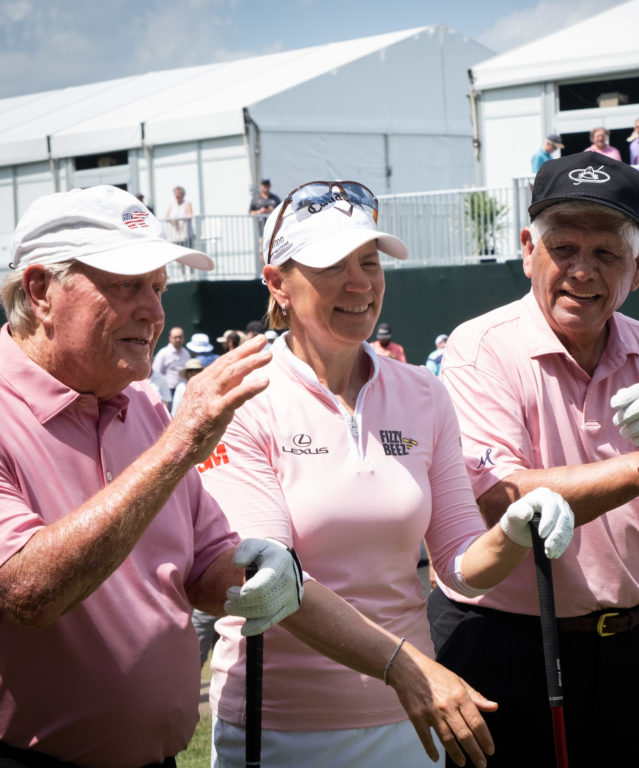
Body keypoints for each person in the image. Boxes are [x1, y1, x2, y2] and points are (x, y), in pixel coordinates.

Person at [197, 179, 576, 768]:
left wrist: (513, 532)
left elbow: (459, 567)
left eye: (370, 262)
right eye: (331, 266)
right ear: (278, 284)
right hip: (281, 727)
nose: (359, 283)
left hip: (409, 720)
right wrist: (409, 668)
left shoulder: (424, 393)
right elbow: (271, 584)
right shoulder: (240, 396)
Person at [0, 185, 317, 767]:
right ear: (41, 291)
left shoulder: (142, 405)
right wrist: (178, 446)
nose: (152, 310)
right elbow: (28, 591)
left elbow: (202, 565)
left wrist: (258, 568)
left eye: (157, 288)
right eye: (126, 286)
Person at [427, 152, 639, 767]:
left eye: (605, 253)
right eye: (563, 248)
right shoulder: (481, 346)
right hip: (501, 643)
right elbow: (500, 496)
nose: (582, 271)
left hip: (634, 648)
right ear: (528, 249)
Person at [152, 325, 191, 397]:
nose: (178, 340)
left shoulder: (186, 353)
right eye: (176, 337)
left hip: (183, 390)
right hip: (168, 391)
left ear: (183, 338)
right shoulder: (163, 353)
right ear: (170, 338)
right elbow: (156, 372)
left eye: (180, 337)